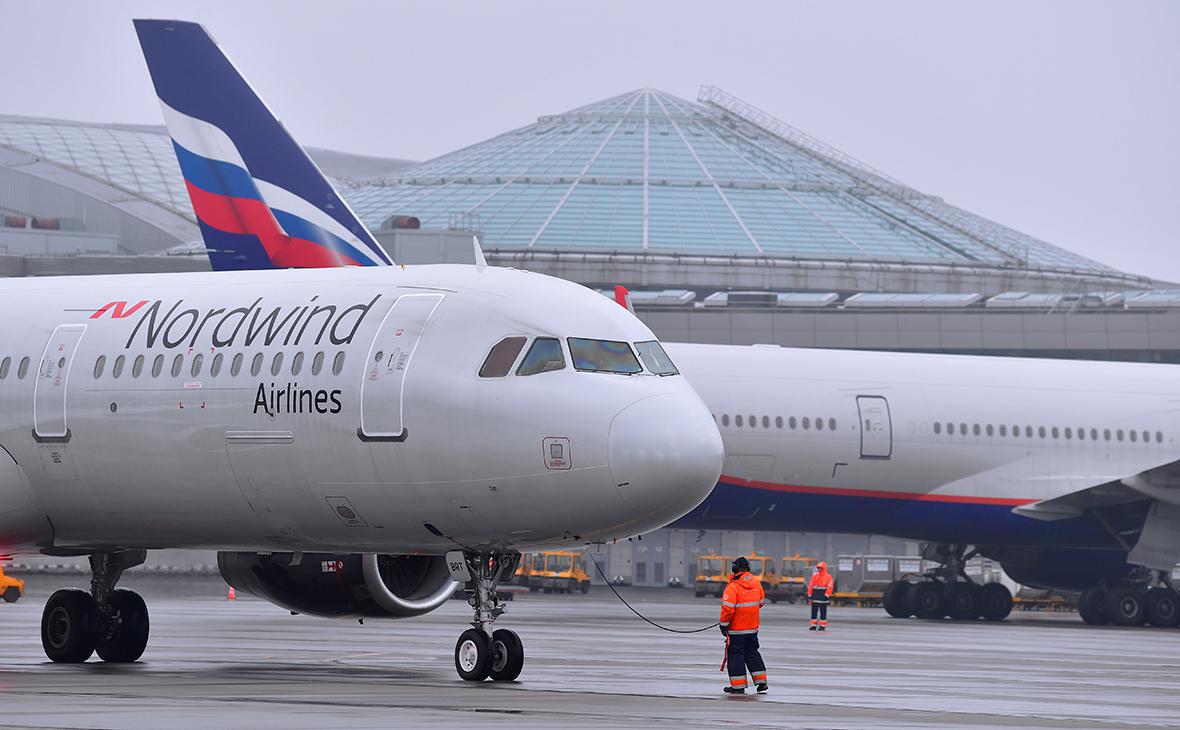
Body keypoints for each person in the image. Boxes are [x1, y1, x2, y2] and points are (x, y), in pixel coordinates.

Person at [719, 556, 768, 694]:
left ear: (736, 568)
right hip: (752, 628)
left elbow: (727, 609)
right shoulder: (757, 583)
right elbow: (761, 602)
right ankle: (761, 682)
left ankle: (738, 686)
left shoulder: (733, 586)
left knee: (735, 655)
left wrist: (724, 625)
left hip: (736, 629)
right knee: (752, 653)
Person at [808, 561, 835, 631]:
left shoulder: (828, 577)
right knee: (814, 611)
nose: (819, 569)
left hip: (823, 597)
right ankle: (813, 625)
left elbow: (830, 586)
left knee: (823, 612)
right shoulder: (815, 576)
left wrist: (827, 595)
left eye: (821, 568)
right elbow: (811, 586)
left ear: (824, 568)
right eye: (818, 568)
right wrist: (809, 595)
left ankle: (822, 625)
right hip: (815, 597)